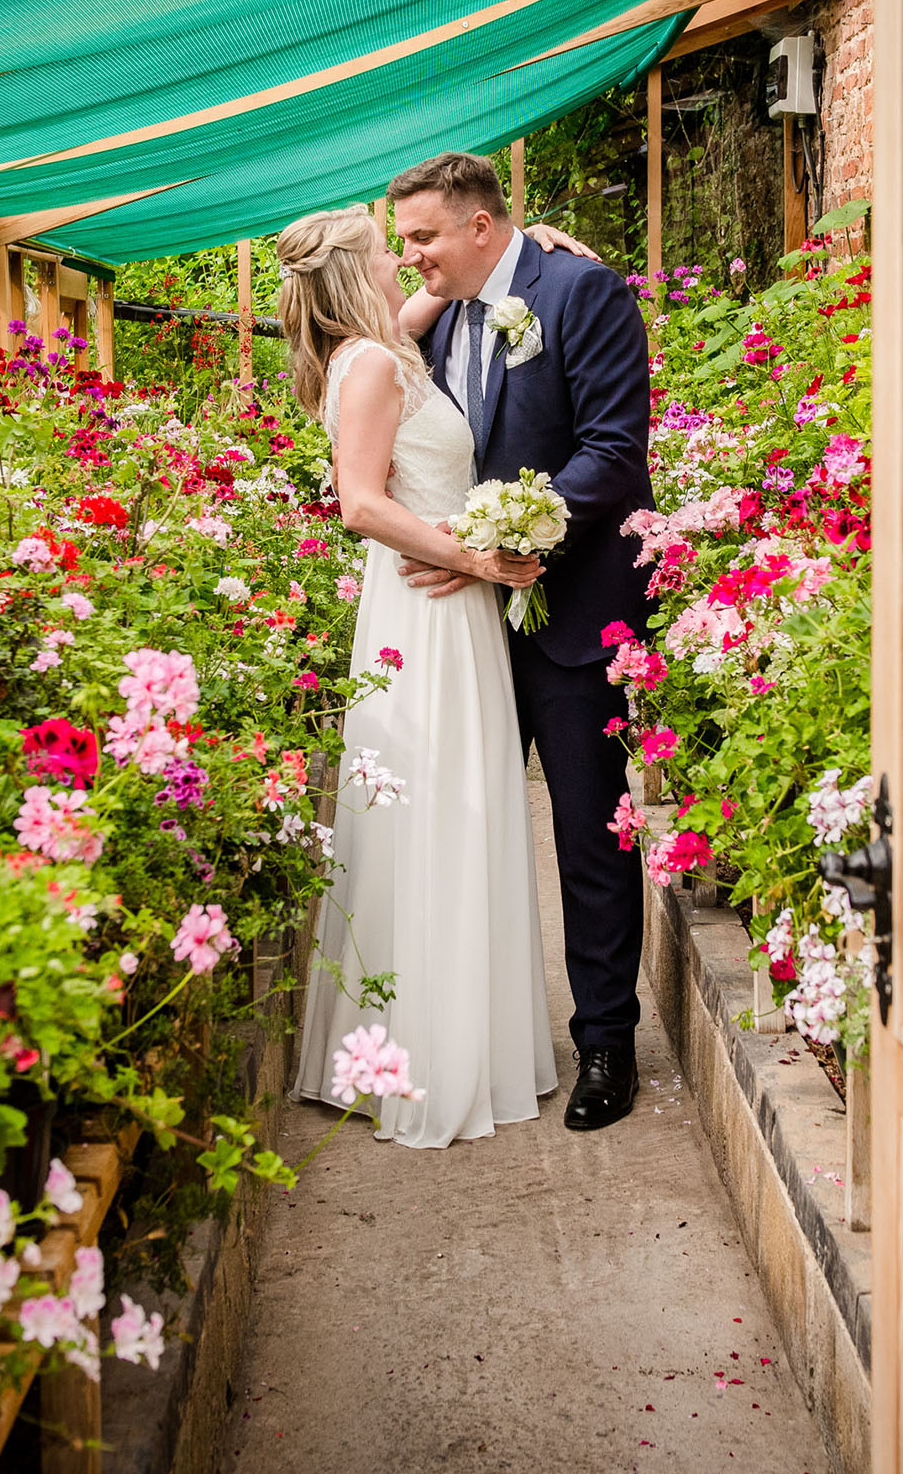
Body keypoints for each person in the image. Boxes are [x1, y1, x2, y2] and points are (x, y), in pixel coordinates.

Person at [278, 205, 586, 1147]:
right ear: (354, 275)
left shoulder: (382, 345)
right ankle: (434, 1057)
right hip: (430, 606)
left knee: (451, 808)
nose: (403, 260)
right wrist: (482, 557)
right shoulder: (370, 367)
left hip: (446, 611)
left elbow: (444, 284)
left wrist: (532, 242)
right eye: (386, 251)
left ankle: (450, 1034)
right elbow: (361, 504)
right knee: (441, 813)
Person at [387, 151, 658, 1133]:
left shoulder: (577, 289)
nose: (409, 254)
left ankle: (603, 1044)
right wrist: (461, 560)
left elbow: (612, 452)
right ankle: (482, 1038)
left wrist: (497, 538)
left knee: (587, 835)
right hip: (463, 629)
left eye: (423, 236)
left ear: (481, 226)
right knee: (465, 832)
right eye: (402, 239)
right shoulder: (439, 314)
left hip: (572, 612)